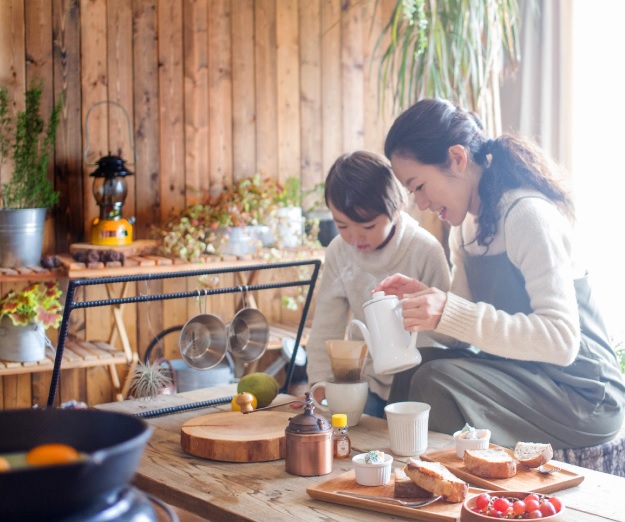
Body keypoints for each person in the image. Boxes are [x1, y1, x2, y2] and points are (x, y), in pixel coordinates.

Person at [375, 98, 625, 448]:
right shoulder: (465, 229)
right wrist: (428, 305)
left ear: (458, 159)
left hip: (582, 395)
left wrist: (449, 310)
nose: (421, 203)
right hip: (526, 374)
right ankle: (397, 472)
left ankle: (442, 489)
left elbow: (562, 341)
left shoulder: (527, 215)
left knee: (436, 379)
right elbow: (461, 334)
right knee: (413, 367)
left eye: (419, 186)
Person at [305, 150, 451, 418]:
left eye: (368, 226)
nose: (355, 237)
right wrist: (318, 385)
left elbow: (450, 334)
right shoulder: (340, 251)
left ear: (396, 209)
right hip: (367, 380)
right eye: (342, 225)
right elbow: (326, 329)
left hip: (420, 381)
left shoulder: (424, 249)